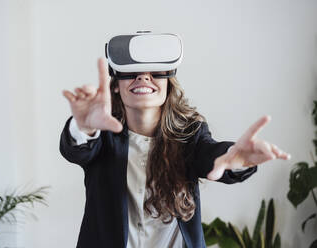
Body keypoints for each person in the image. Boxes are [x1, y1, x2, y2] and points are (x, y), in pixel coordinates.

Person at [59, 33, 291, 248]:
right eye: (132, 71)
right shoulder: (101, 137)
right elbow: (77, 149)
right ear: (116, 86)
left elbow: (211, 154)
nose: (143, 76)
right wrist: (85, 126)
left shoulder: (190, 134)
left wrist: (237, 159)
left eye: (155, 71)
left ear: (169, 83)